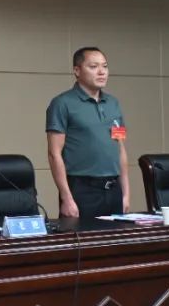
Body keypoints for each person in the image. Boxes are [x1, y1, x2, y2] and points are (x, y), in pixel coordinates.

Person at [46, 47, 129, 219]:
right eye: (93, 67)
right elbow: (54, 154)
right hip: (82, 189)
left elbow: (120, 148)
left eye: (105, 66)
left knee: (116, 236)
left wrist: (126, 193)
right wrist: (66, 198)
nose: (101, 72)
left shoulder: (113, 104)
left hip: (113, 188)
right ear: (77, 71)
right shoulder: (62, 103)